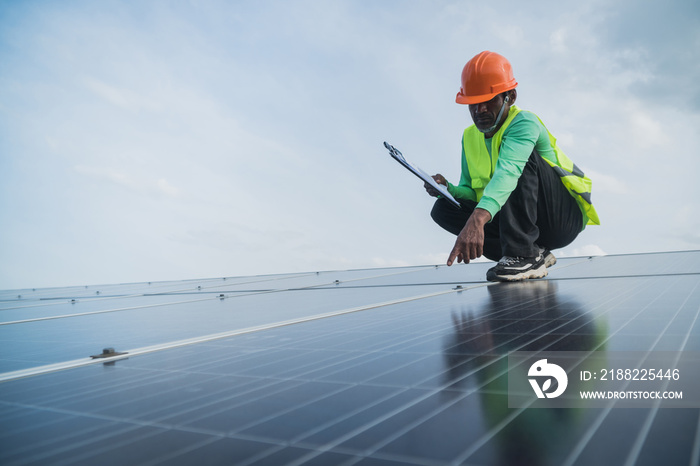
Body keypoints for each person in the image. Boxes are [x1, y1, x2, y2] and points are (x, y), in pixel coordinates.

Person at [426, 51, 599, 282]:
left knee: (518, 164)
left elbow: (508, 173)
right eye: (473, 104)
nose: (480, 110)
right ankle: (533, 253)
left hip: (560, 218)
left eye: (489, 101)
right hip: (519, 221)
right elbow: (474, 191)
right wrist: (449, 189)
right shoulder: (469, 137)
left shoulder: (524, 123)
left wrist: (477, 220)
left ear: (511, 96)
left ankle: (523, 255)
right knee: (443, 209)